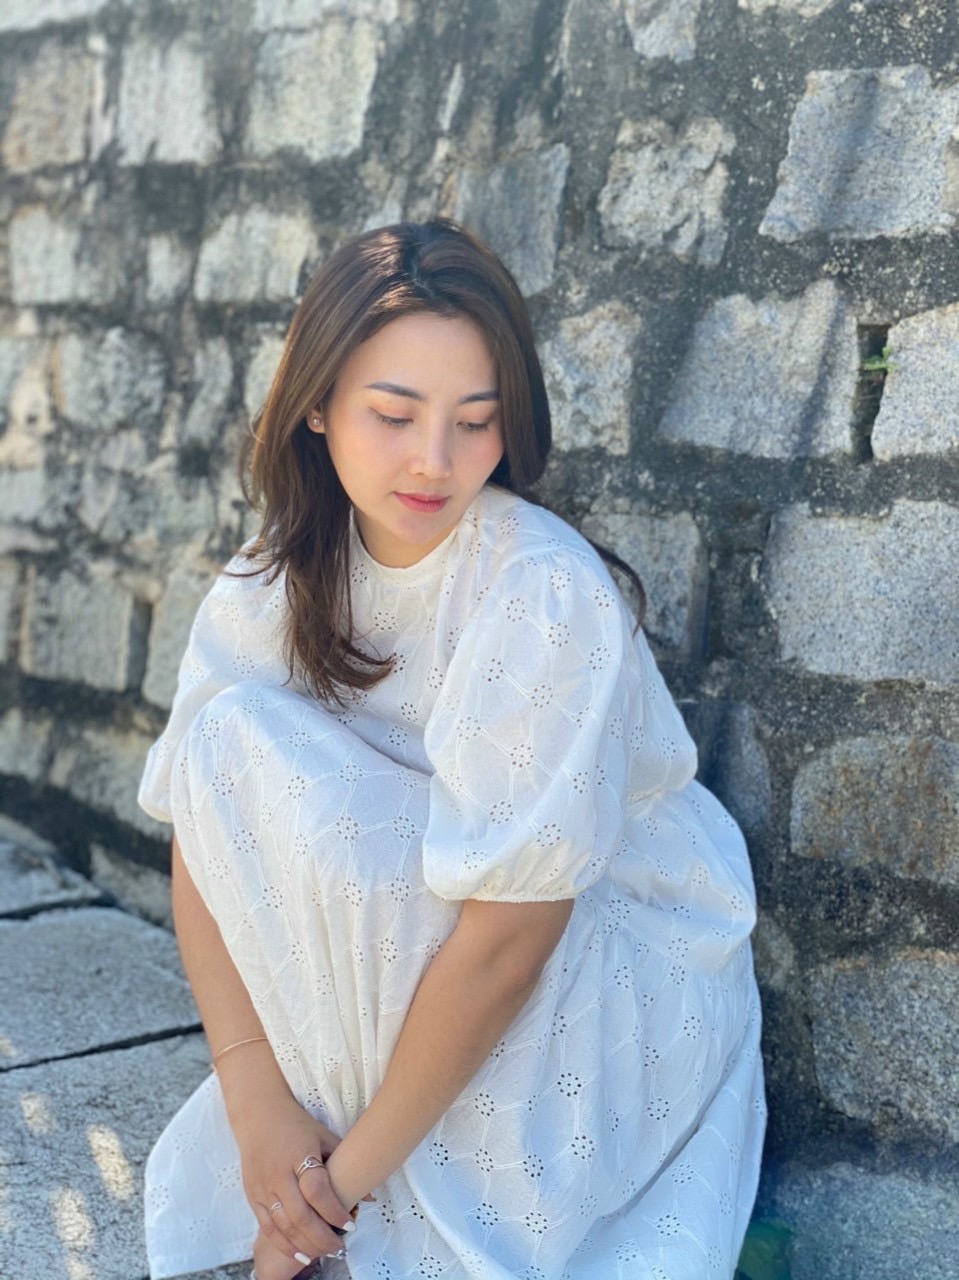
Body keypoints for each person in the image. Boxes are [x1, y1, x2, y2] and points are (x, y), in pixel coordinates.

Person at [138, 219, 765, 1280]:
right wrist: (253, 1100)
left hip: (597, 971)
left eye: (475, 422)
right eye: (393, 415)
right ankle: (336, 1156)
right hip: (417, 938)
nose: (434, 461)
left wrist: (325, 1204)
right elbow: (202, 823)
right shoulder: (271, 578)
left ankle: (380, 1187)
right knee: (229, 741)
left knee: (349, 837)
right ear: (316, 404)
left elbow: (512, 936)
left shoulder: (539, 588)